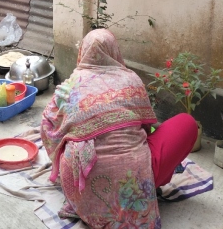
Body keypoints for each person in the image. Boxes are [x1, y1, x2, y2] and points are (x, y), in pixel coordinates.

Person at [40, 29, 197, 228]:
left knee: (65, 138)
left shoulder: (68, 88)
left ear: (83, 53)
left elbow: (47, 127)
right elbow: (145, 130)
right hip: (133, 186)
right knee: (186, 123)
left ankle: (90, 199)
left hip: (81, 192)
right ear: (115, 52)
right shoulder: (131, 80)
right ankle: (151, 185)